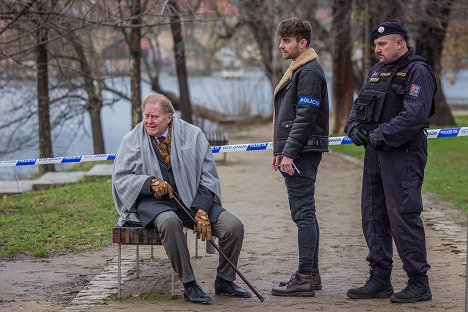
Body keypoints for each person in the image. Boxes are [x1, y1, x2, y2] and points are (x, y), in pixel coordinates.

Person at [112, 94, 251, 304]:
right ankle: (189, 284)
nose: (148, 121)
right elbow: (121, 178)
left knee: (233, 227)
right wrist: (150, 182)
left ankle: (225, 281)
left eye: (155, 116)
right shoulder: (131, 140)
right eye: (146, 116)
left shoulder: (193, 135)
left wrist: (202, 210)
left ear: (169, 116)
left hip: (194, 199)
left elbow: (208, 177)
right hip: (154, 204)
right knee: (169, 222)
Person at [345, 21, 436, 303]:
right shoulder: (376, 71)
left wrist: (379, 135)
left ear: (399, 43)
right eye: (375, 45)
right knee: (373, 214)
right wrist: (354, 129)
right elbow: (357, 109)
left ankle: (418, 282)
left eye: (382, 44)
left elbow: (415, 115)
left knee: (403, 215)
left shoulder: (417, 71)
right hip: (376, 153)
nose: (377, 50)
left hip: (403, 154)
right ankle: (379, 278)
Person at [270, 17, 329, 297]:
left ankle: (305, 277)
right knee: (306, 213)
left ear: (302, 43)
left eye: (286, 40)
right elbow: (290, 117)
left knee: (303, 214)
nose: (281, 45)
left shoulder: (309, 72)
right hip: (297, 152)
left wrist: (289, 153)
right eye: (281, 39)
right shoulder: (300, 69)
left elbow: (305, 116)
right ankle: (311, 274)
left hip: (303, 153)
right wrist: (279, 151)